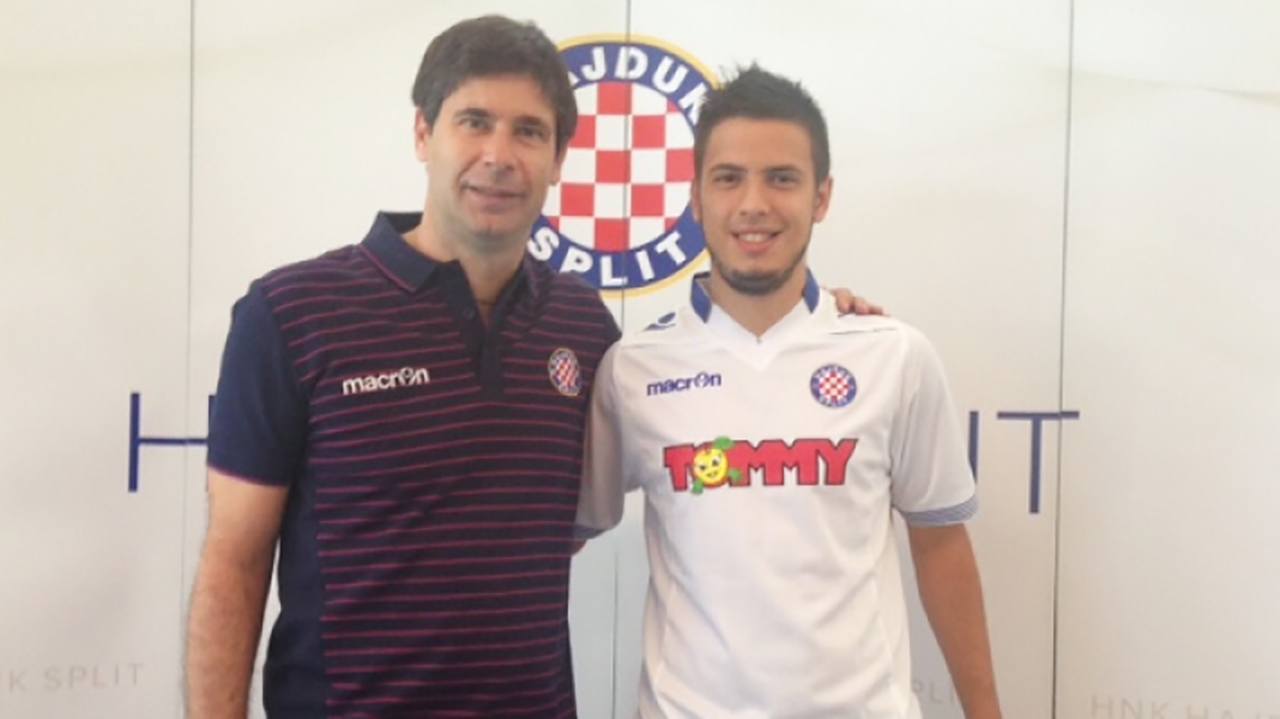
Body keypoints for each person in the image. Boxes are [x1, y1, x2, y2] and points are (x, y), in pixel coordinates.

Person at [185, 15, 617, 718]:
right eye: (474, 122)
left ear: (559, 157)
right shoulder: (292, 313)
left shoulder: (583, 325)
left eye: (529, 131)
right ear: (423, 133)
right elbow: (234, 557)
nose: (499, 155)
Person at [576, 66, 1002, 719]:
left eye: (782, 178)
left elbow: (942, 545)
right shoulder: (632, 369)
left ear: (821, 196)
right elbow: (552, 540)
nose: (754, 204)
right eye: (728, 178)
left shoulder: (894, 355)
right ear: (696, 197)